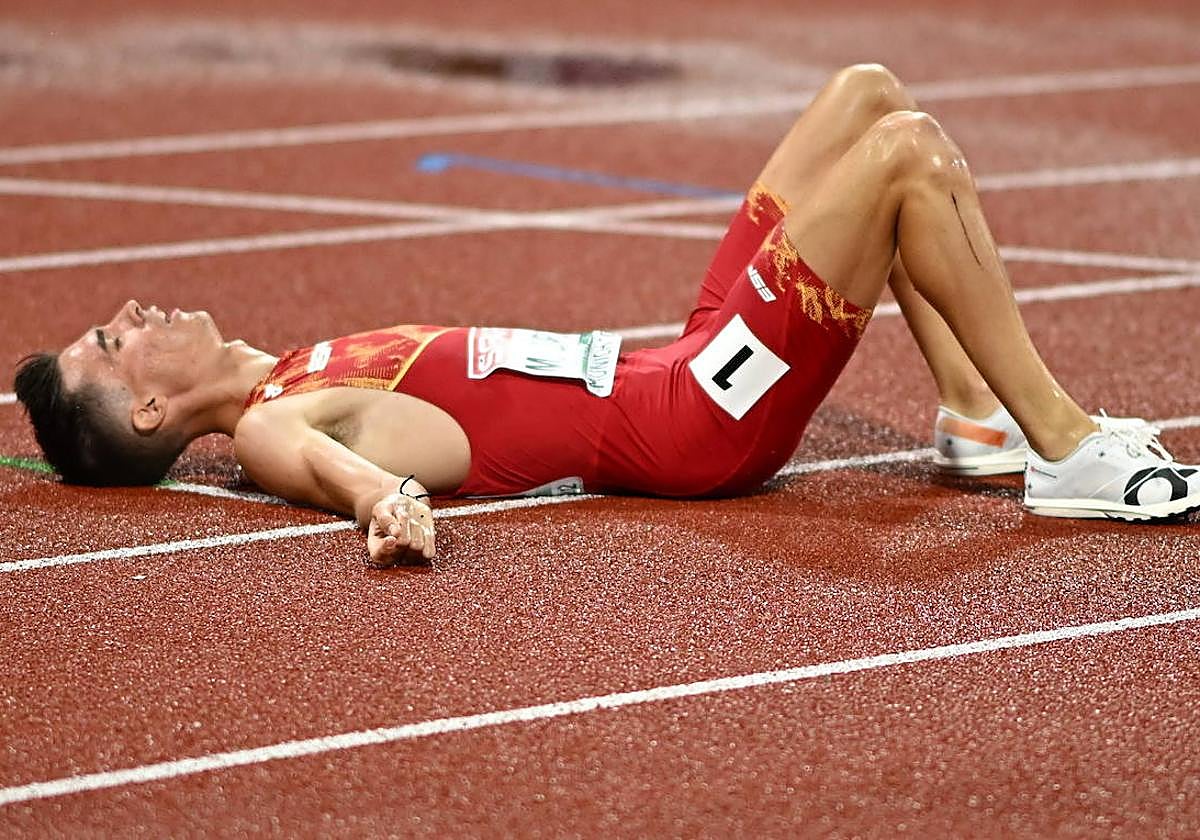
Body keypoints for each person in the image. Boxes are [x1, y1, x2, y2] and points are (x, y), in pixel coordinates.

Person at [14, 64, 1199, 568]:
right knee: (907, 154)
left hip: (676, 359)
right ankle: (1064, 448)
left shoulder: (289, 366)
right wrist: (386, 507)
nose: (128, 312)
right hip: (697, 420)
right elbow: (349, 480)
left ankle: (975, 416)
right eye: (114, 343)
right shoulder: (274, 425)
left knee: (866, 95)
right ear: (153, 411)